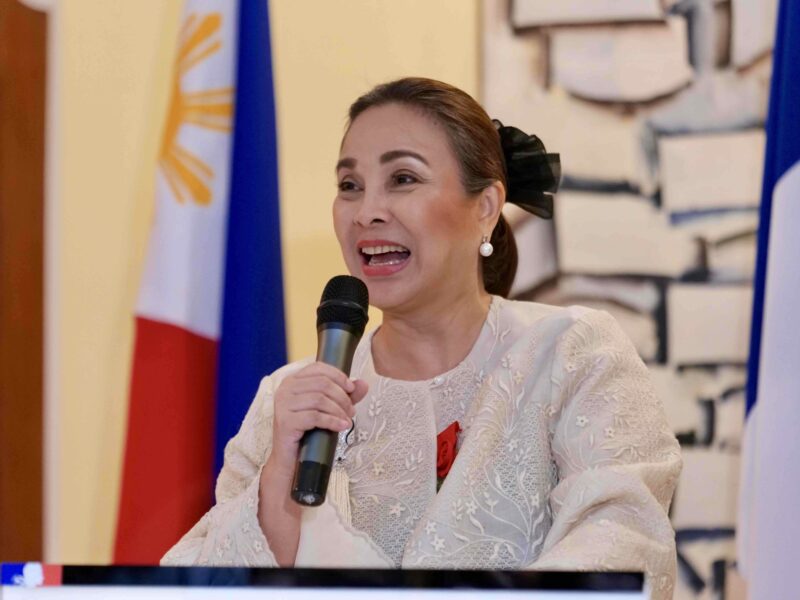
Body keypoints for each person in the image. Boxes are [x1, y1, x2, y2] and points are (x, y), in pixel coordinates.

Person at [162, 77, 682, 599]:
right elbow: (188, 585)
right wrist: (277, 487)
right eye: (350, 186)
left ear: (485, 206)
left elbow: (624, 546)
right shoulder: (289, 397)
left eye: (403, 178)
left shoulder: (572, 354)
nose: (367, 211)